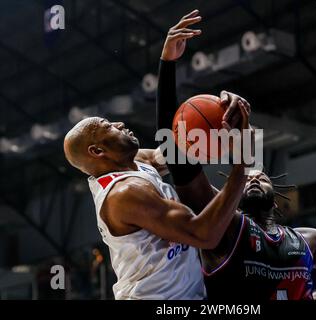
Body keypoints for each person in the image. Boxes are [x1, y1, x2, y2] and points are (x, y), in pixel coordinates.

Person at [157, 10, 316, 300]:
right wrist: (167, 65)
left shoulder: (307, 241)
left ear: (276, 190)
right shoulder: (225, 227)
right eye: (249, 177)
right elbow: (176, 156)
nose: (254, 178)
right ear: (234, 193)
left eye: (261, 176)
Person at [63, 11, 252, 299]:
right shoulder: (125, 194)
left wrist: (222, 113)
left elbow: (177, 150)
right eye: (107, 126)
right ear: (98, 151)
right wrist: (242, 165)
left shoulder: (136, 164)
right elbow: (204, 234)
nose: (119, 124)